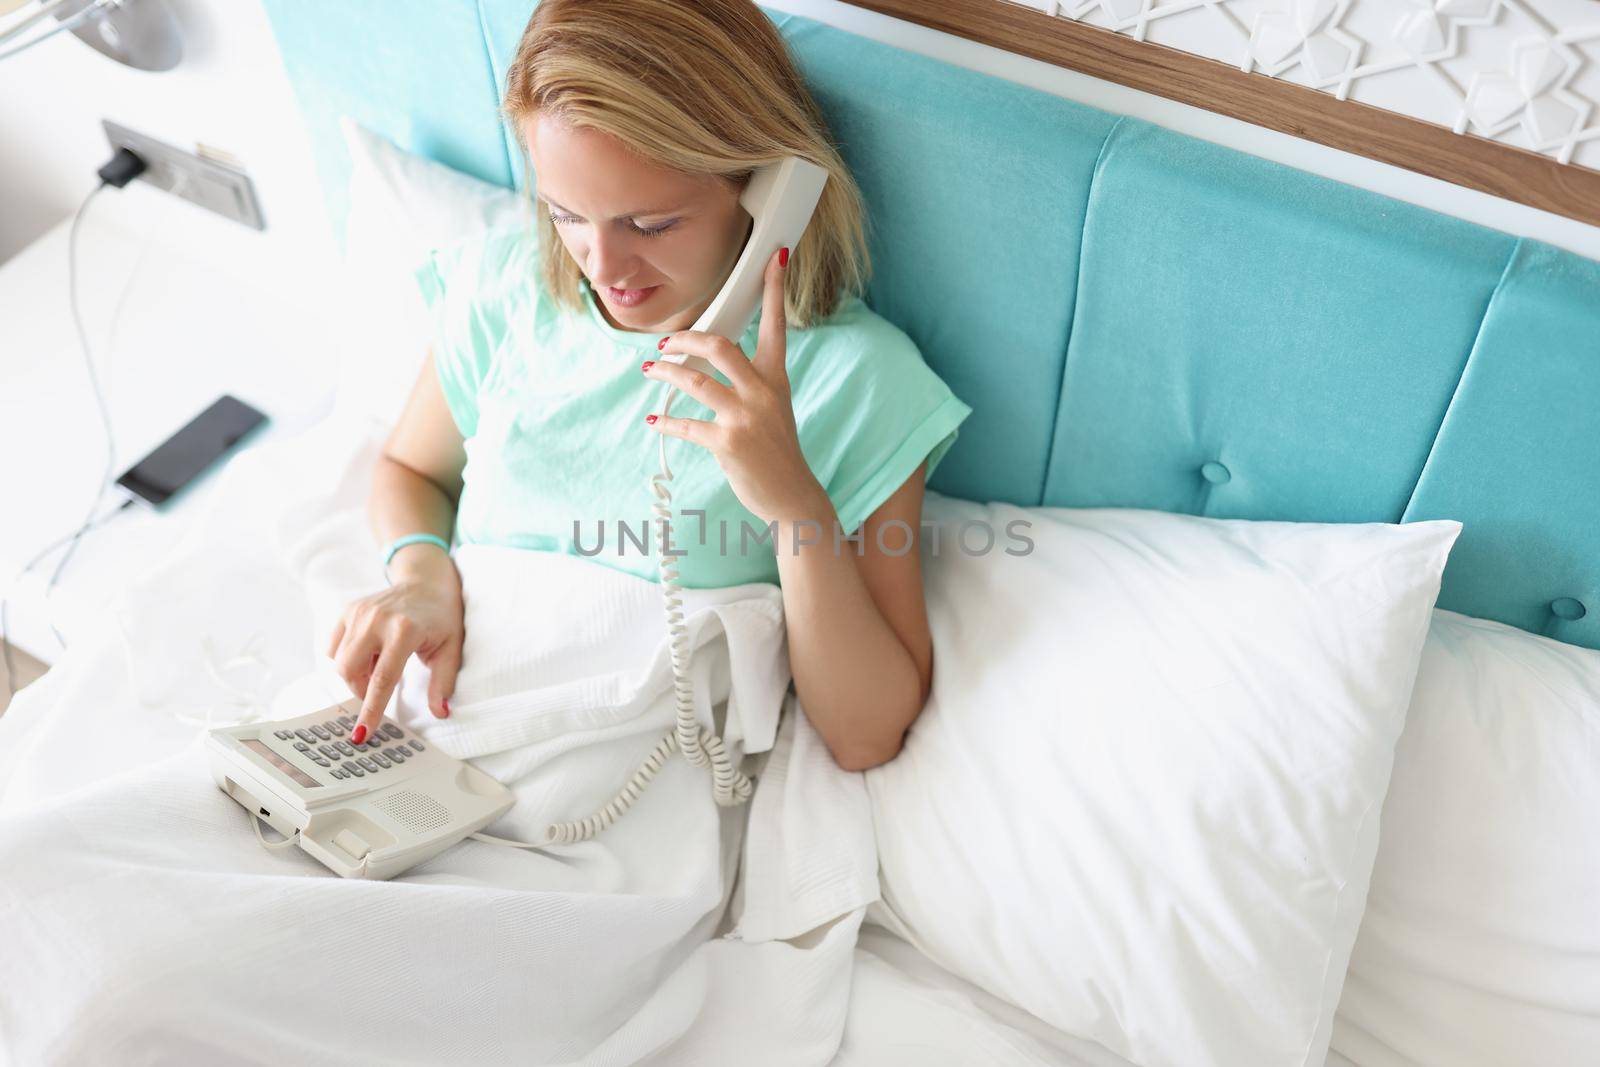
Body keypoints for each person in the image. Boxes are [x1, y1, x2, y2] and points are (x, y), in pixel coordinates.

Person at [325, 0, 972, 773]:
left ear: (768, 185)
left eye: (652, 224)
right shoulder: (506, 292)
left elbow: (865, 733)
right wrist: (421, 577)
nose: (603, 267)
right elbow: (410, 470)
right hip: (426, 722)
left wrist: (795, 503)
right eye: (566, 214)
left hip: (603, 790)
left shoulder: (858, 381)